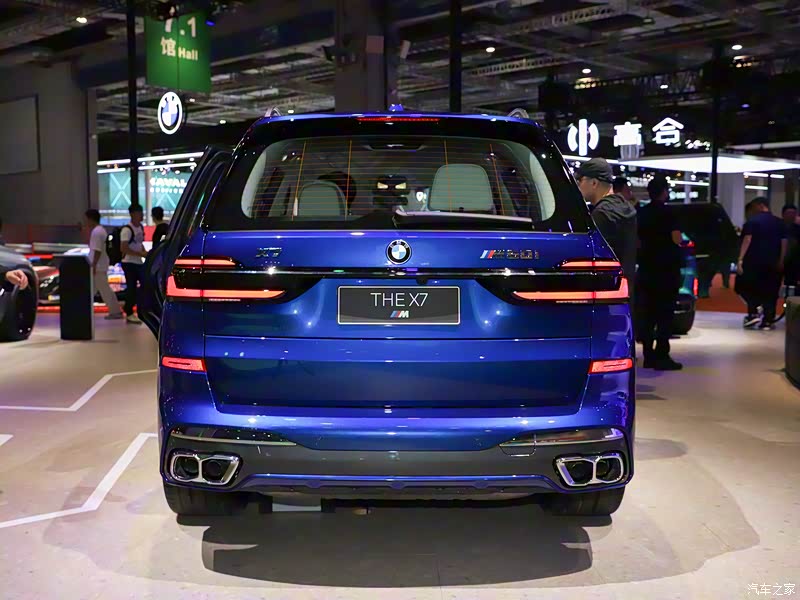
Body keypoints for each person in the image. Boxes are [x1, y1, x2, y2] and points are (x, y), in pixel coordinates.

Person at [637, 176, 683, 370]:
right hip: (666, 270)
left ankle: (648, 355)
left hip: (647, 269)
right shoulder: (669, 213)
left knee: (648, 314)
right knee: (665, 314)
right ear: (664, 191)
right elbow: (676, 238)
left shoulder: (641, 213)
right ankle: (662, 354)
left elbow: (637, 240)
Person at [575, 158, 637, 282]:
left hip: (607, 284)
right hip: (626, 283)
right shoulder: (627, 207)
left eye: (580, 180)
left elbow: (593, 256)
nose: (578, 185)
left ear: (594, 183)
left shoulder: (601, 214)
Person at [737, 197, 787, 330]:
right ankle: (768, 320)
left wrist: (740, 259)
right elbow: (784, 243)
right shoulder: (780, 223)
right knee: (771, 291)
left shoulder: (752, 222)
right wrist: (781, 260)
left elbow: (747, 240)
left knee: (750, 287)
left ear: (760, 206)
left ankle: (753, 312)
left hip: (754, 262)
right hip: (773, 261)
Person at [85, 209, 123, 320]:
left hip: (98, 266)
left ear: (91, 219)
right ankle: (86, 310)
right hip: (100, 265)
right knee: (95, 289)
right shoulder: (100, 230)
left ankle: (115, 311)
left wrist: (93, 265)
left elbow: (97, 250)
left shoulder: (97, 232)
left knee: (104, 289)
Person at [120, 204, 147, 325]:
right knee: (131, 287)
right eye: (139, 213)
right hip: (129, 263)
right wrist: (140, 254)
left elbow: (139, 243)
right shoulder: (126, 230)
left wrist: (144, 253)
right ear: (132, 214)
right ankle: (129, 311)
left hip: (138, 262)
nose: (141, 215)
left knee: (144, 285)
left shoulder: (140, 227)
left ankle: (136, 308)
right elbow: (123, 248)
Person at [781, 204, 800, 291]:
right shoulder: (778, 226)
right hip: (779, 260)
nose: (791, 215)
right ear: (783, 214)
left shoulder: (797, 229)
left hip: (794, 262)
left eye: (793, 213)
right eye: (789, 213)